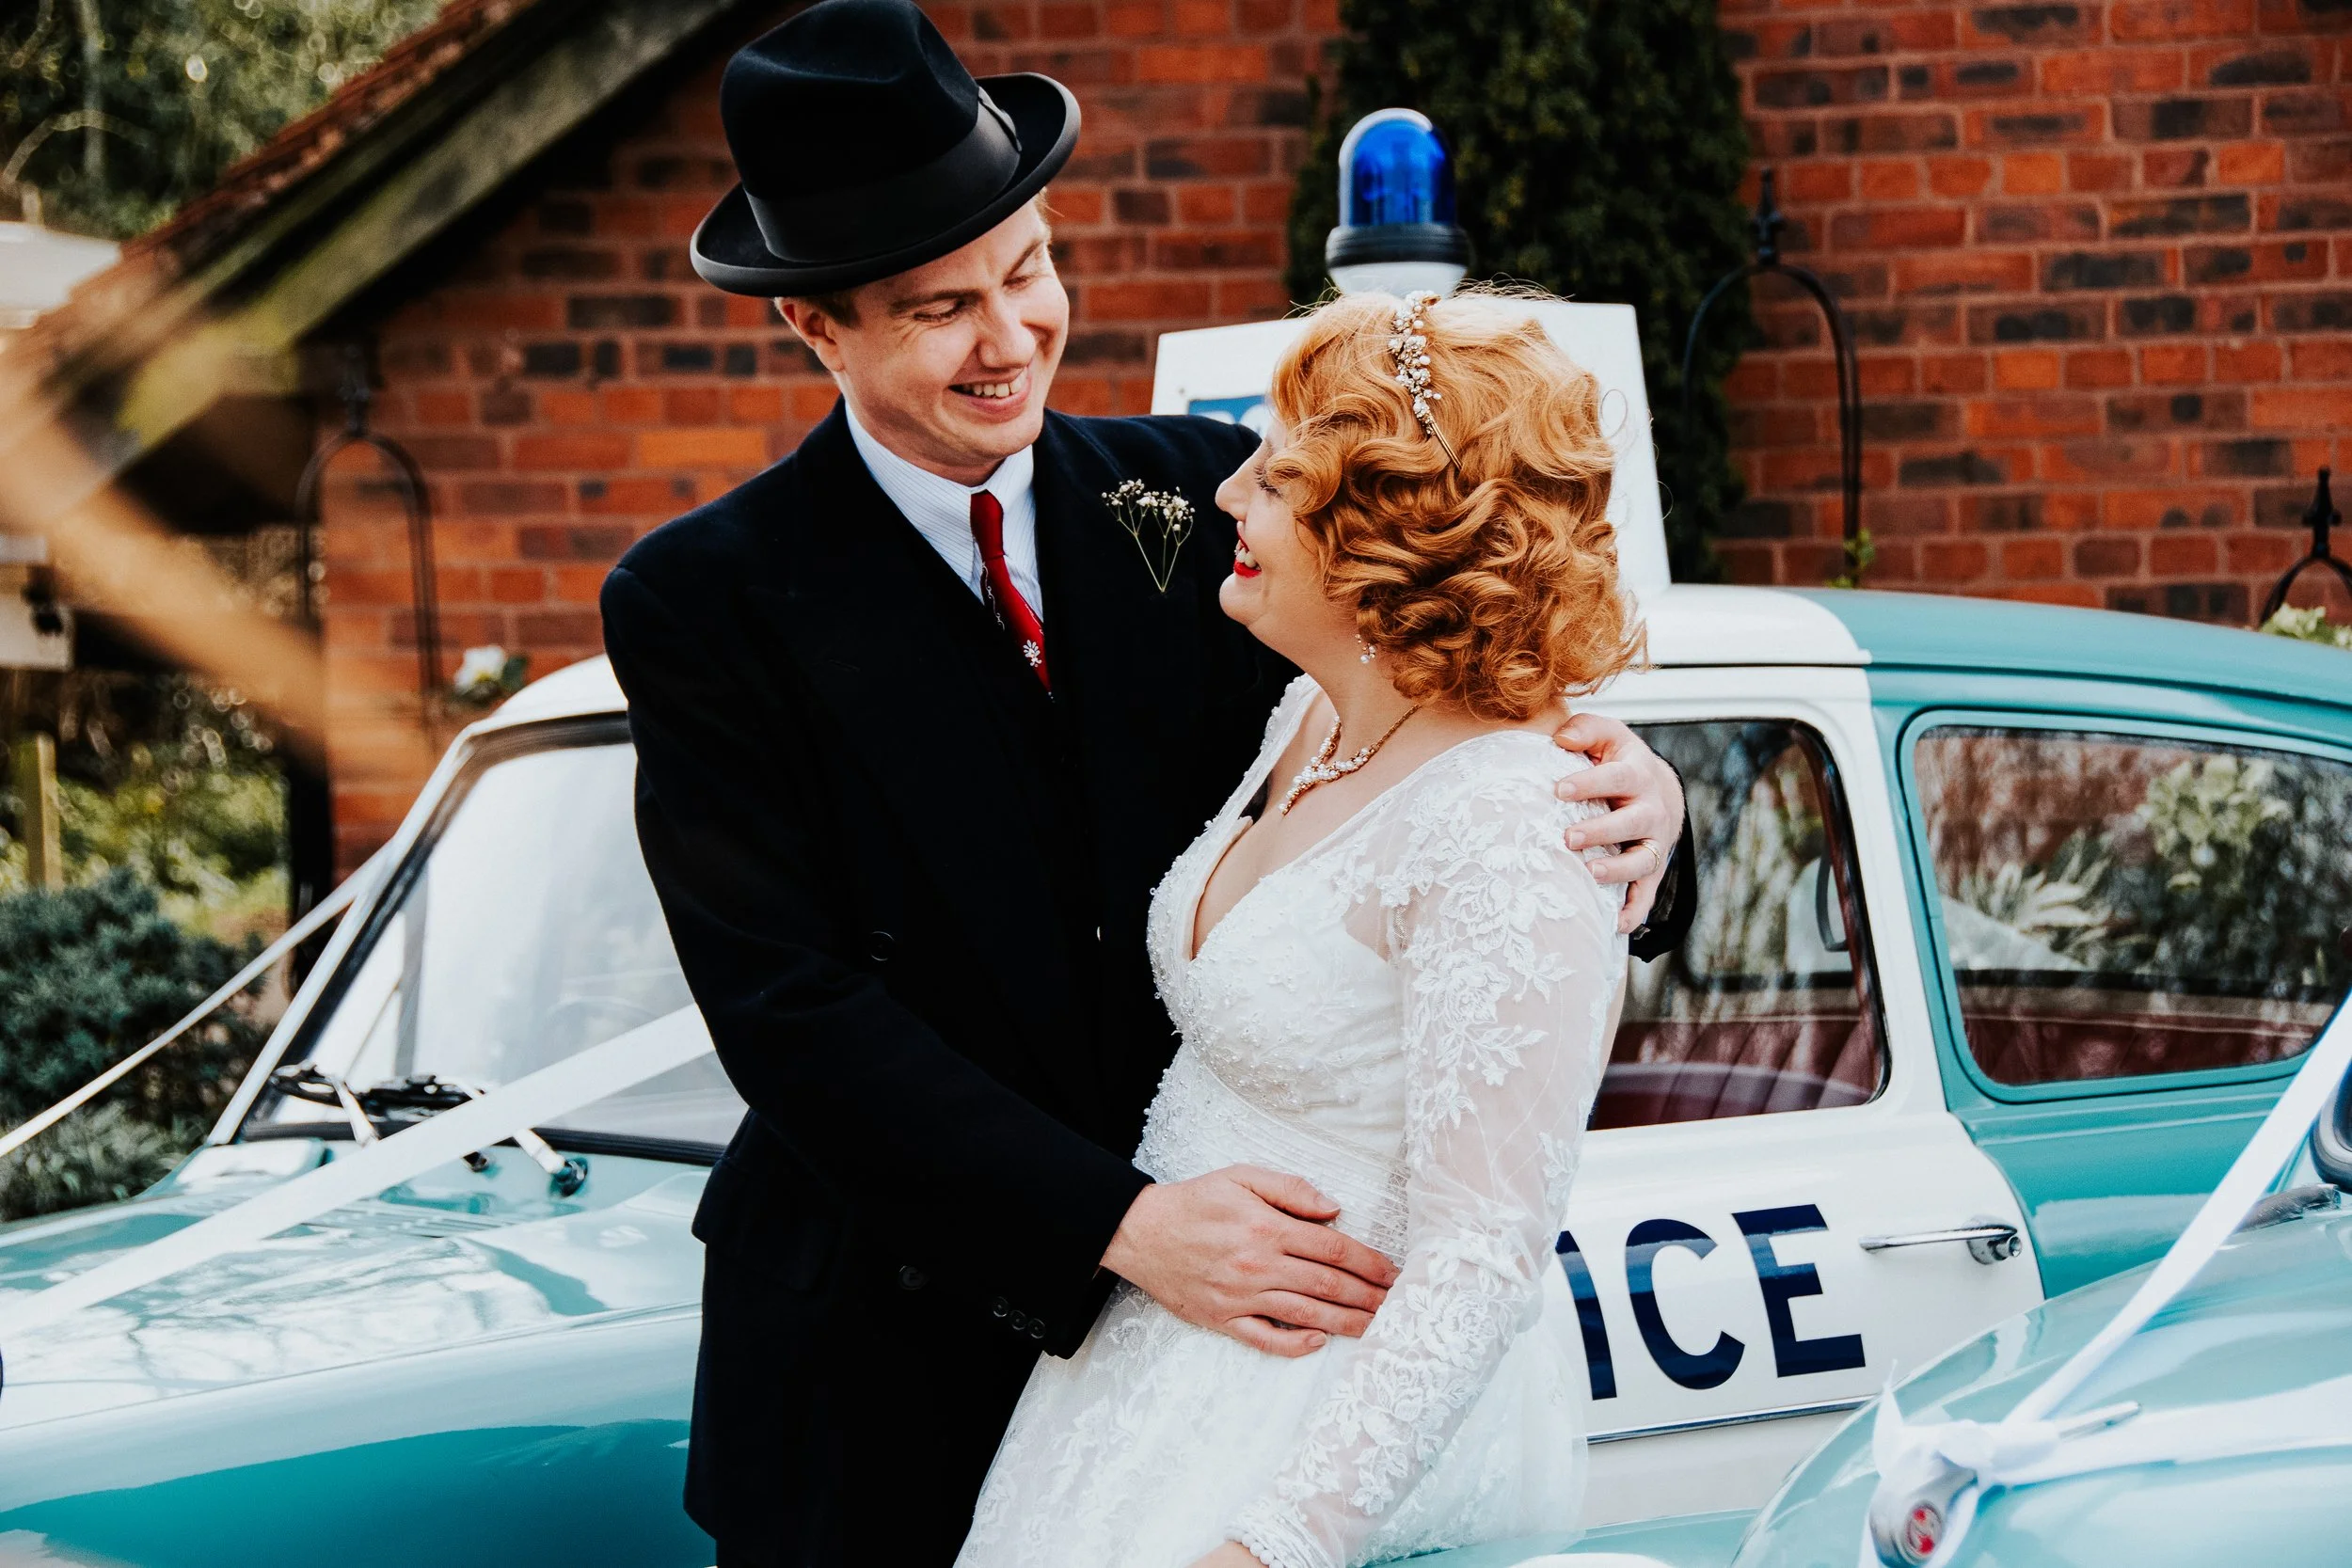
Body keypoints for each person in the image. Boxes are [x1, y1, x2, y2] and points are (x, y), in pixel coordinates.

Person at [599, 4, 1693, 1563]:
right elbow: (788, 1007)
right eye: (940, 307)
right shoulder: (701, 600)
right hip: (880, 1360)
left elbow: (1435, 741)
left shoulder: (1203, 494)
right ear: (816, 329)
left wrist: (1644, 795)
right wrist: (1118, 1226)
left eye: (1030, 269)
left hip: (1225, 1386)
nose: (1013, 336)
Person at [955, 288, 1633, 1568]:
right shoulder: (1309, 720)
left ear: (1379, 533)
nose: (1226, 497)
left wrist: (1271, 1545)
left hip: (1317, 1427)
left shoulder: (1509, 821)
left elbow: (1483, 1252)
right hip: (1144, 1379)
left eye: (1275, 475)